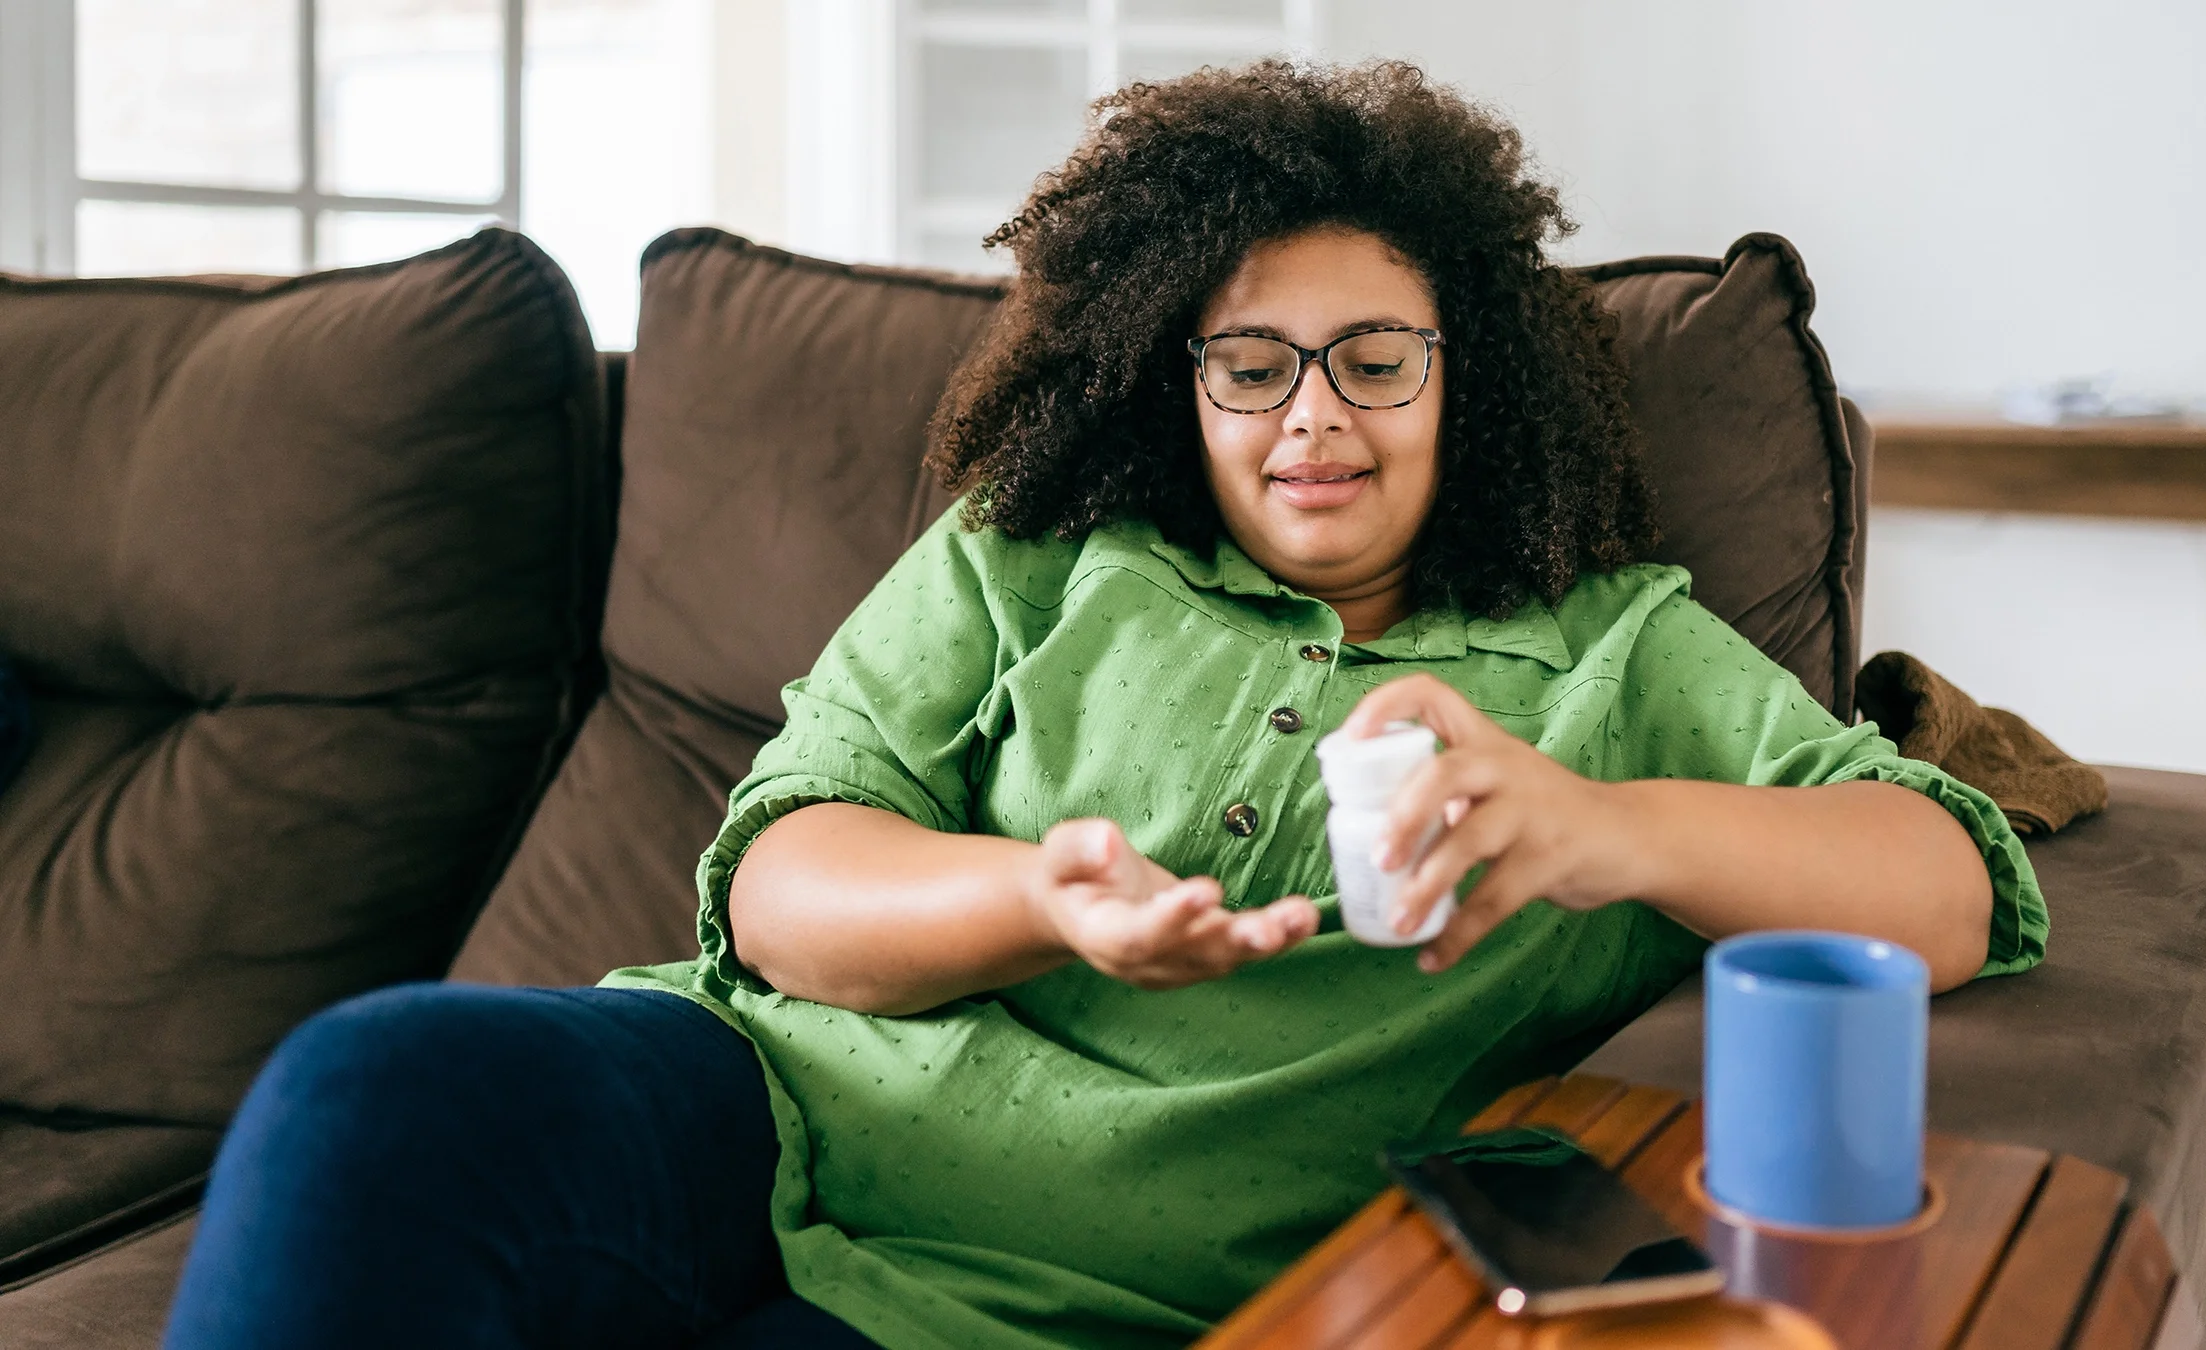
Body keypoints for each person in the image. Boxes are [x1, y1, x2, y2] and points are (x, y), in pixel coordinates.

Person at [164, 60, 2045, 1350]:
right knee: (370, 1087)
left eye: (1376, 359)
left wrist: (1599, 825)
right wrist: (1034, 898)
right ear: (1179, 386)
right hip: (752, 1107)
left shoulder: (1617, 652)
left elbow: (1947, 887)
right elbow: (774, 890)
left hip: (1064, 1300)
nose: (1315, 416)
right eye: (1254, 365)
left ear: (1471, 380)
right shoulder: (1036, 557)